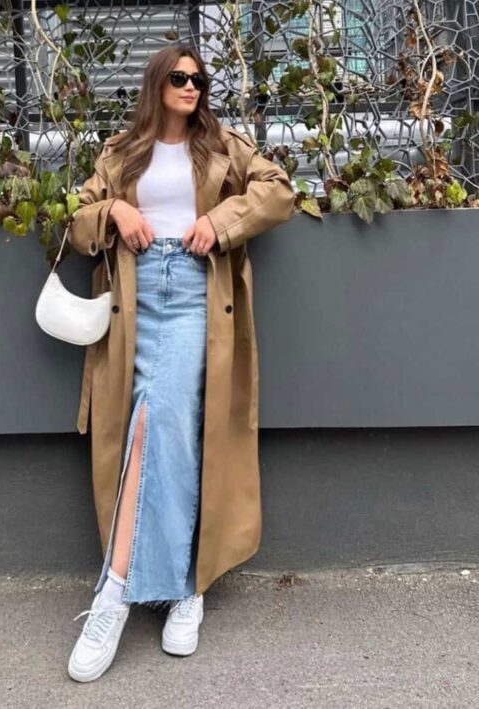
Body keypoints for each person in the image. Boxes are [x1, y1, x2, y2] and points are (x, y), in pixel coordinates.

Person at [65, 43, 297, 682]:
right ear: (156, 84)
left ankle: (114, 594)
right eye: (179, 77)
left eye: (198, 78)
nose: (191, 86)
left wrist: (220, 221)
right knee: (164, 433)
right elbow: (76, 221)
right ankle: (184, 589)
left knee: (158, 421)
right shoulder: (121, 152)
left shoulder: (222, 145)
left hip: (196, 292)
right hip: (135, 298)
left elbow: (279, 191)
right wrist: (114, 209)